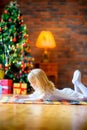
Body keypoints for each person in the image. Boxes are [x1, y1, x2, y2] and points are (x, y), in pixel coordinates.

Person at [17, 69, 87, 101]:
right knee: (78, 94)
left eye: (31, 82)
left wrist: (23, 100)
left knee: (84, 98)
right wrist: (20, 97)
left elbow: (37, 99)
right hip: (66, 92)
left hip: (68, 95)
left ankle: (78, 83)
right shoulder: (41, 89)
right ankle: (76, 83)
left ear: (38, 82)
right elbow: (31, 96)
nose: (31, 84)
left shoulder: (47, 92)